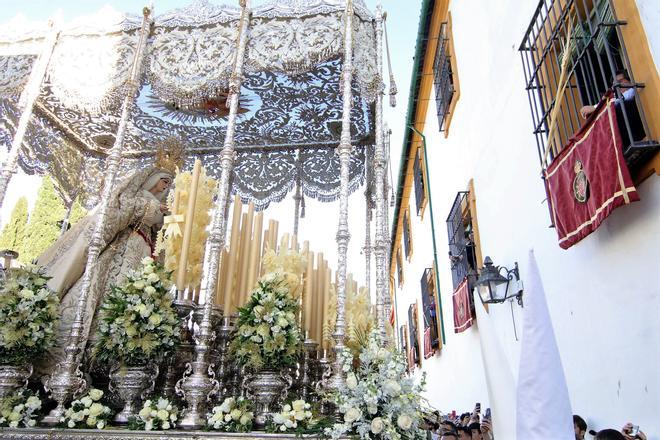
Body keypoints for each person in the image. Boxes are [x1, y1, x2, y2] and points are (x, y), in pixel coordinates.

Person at [34, 166, 173, 378]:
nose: (166, 185)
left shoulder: (154, 202)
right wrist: (152, 209)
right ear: (152, 179)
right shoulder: (136, 196)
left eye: (168, 183)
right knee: (104, 293)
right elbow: (123, 211)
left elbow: (153, 228)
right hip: (121, 253)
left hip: (140, 254)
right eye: (164, 180)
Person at [579, 69, 644, 149]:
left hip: (637, 131)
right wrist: (600, 105)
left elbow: (622, 99)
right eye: (615, 85)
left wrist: (597, 106)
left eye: (620, 81)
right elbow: (583, 110)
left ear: (629, 81)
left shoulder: (632, 90)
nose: (618, 86)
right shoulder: (616, 99)